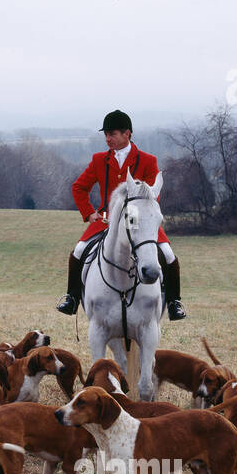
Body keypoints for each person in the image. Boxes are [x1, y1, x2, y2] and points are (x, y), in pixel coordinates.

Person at [56, 108, 186, 321]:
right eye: (106, 134)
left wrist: (142, 214)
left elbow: (153, 194)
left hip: (140, 222)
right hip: (106, 221)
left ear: (127, 134)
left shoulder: (147, 160)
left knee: (168, 254)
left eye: (112, 134)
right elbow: (79, 187)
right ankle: (72, 299)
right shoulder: (99, 160)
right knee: (78, 251)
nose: (108, 139)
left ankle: (174, 302)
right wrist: (89, 213)